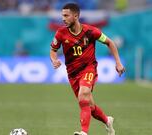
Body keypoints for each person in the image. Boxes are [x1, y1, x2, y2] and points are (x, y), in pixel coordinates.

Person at [50, 3, 125, 135]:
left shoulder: (91, 31)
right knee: (89, 106)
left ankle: (84, 132)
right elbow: (53, 50)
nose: (63, 18)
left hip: (89, 69)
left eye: (66, 15)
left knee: (83, 94)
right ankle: (107, 121)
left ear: (76, 16)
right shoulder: (61, 33)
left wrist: (118, 63)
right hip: (72, 74)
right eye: (62, 15)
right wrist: (54, 60)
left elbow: (110, 42)